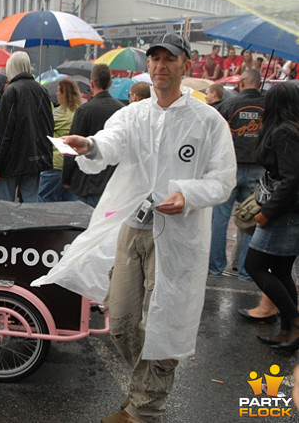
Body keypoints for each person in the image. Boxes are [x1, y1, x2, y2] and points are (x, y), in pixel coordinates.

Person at [32, 33, 236, 423]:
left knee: (164, 324)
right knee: (123, 322)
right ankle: (144, 390)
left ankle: (145, 410)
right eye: (155, 58)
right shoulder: (134, 114)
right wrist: (89, 146)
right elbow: (111, 141)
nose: (161, 65)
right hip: (131, 228)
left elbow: (223, 180)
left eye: (170, 59)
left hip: (178, 236)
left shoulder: (208, 122)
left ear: (186, 67)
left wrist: (187, 195)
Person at [243, 82, 299, 351]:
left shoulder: (283, 132)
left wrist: (267, 213)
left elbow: (291, 180)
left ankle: (295, 324)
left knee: (254, 265)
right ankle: (287, 330)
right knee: (280, 271)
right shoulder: (287, 129)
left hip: (282, 213)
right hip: (289, 212)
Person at [209, 69, 265, 282]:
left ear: (241, 82)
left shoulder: (228, 104)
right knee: (250, 220)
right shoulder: (268, 106)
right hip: (258, 168)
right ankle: (245, 270)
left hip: (230, 167)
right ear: (259, 84)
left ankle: (215, 268)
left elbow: (215, 134)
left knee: (220, 219)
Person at [0, 51, 54, 202]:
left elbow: (3, 131)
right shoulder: (42, 91)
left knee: (6, 207)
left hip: (11, 161)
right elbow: (48, 125)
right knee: (30, 206)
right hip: (35, 159)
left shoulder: (11, 91)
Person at [61, 64, 124, 208]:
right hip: (112, 179)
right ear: (110, 83)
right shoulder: (122, 110)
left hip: (86, 181)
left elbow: (72, 147)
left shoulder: (84, 110)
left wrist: (66, 178)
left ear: (92, 83)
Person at [38, 79, 82, 202]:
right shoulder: (79, 111)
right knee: (68, 202)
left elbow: (43, 130)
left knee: (45, 200)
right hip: (73, 163)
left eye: (58, 91)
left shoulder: (58, 114)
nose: (57, 94)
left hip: (55, 162)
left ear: (64, 93)